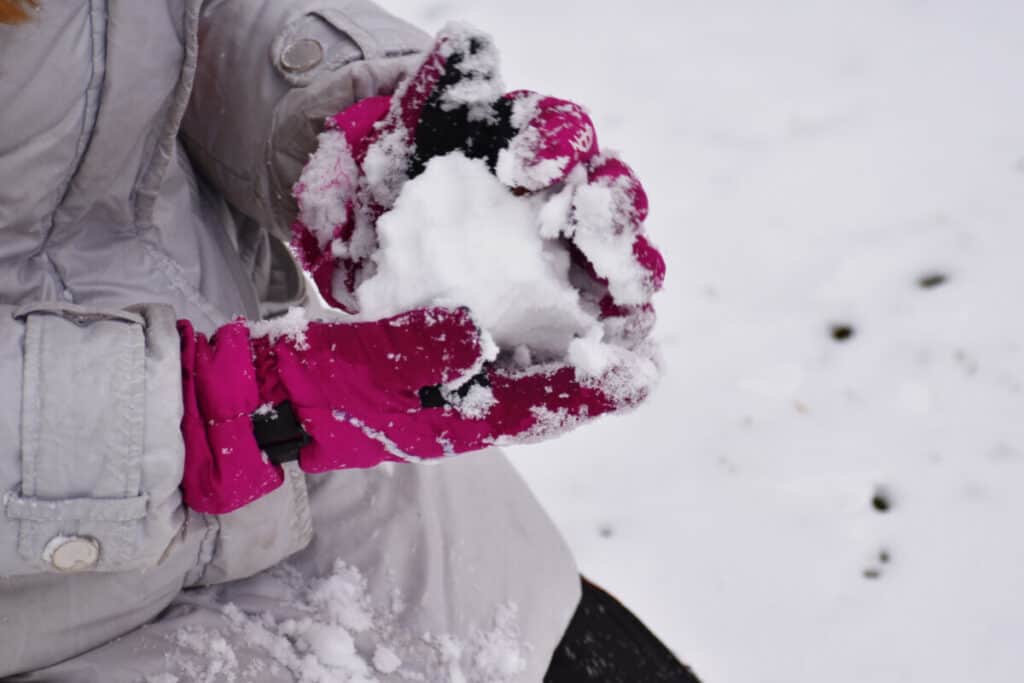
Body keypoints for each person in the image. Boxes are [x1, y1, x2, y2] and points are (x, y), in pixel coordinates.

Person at [0, 1, 698, 680]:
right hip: (54, 607)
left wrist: (353, 139)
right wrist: (190, 417)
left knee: (517, 615)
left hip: (306, 435)